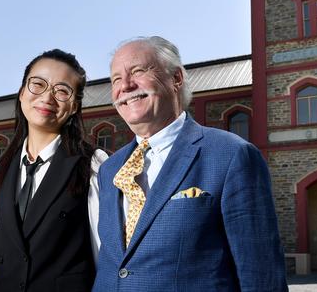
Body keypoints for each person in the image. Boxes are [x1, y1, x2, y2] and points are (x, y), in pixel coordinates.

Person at [93, 37, 287, 291]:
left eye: (138, 71)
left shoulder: (231, 155)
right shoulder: (110, 169)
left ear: (176, 78)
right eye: (116, 79)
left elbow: (261, 276)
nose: (126, 86)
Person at [0, 49, 107, 292]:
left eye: (62, 90)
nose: (47, 97)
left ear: (74, 106)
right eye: (38, 84)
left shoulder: (93, 164)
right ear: (21, 93)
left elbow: (103, 255)